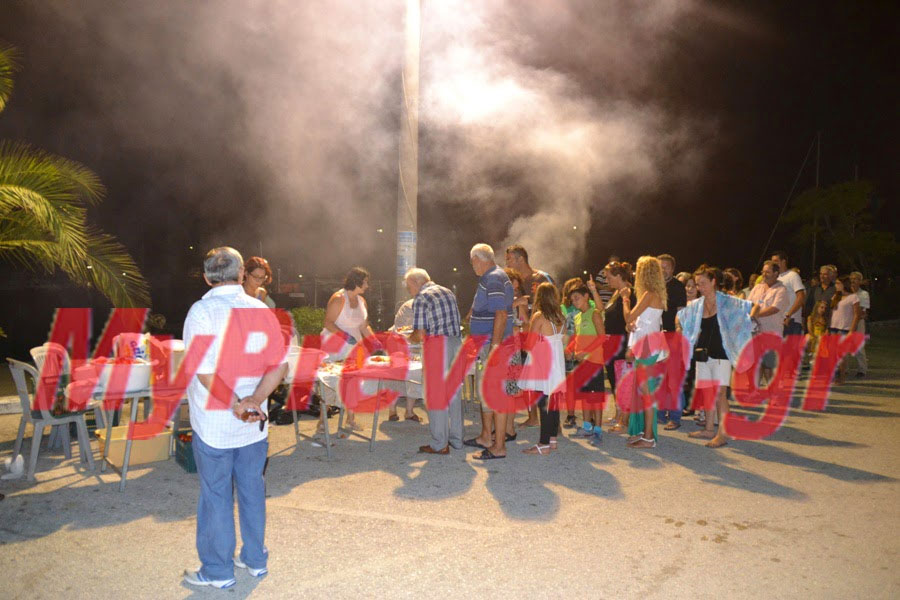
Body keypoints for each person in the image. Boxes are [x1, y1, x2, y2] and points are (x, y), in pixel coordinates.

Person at [182, 247, 287, 589]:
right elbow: (279, 366)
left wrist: (235, 404)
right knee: (252, 490)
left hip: (215, 425)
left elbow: (204, 371)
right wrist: (254, 400)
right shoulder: (260, 309)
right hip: (254, 425)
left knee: (216, 496)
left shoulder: (202, 311)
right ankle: (255, 560)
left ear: (206, 277)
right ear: (242, 274)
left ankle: (218, 571)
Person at [679, 265, 753, 448]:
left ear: (713, 282)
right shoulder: (697, 304)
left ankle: (723, 433)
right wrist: (681, 328)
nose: (699, 288)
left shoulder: (727, 302)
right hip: (702, 353)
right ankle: (709, 429)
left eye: (703, 283)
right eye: (697, 284)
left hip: (722, 353)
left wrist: (741, 329)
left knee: (720, 394)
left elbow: (750, 308)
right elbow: (680, 317)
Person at [398, 268, 464, 454]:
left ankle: (439, 444)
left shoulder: (421, 297)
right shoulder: (447, 291)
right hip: (455, 343)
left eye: (409, 287)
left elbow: (420, 332)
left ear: (416, 282)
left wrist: (405, 338)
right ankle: (457, 439)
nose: (409, 291)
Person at [463, 243, 516, 459]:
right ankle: (486, 436)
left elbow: (501, 314)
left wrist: (494, 347)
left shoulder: (493, 278)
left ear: (478, 259)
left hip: (493, 347)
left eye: (472, 261)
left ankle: (499, 446)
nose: (472, 266)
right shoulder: (493, 276)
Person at [322, 266, 377, 431]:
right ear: (357, 282)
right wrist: (344, 336)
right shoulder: (338, 298)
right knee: (329, 383)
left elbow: (364, 326)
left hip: (354, 347)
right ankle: (322, 421)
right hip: (335, 345)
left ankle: (350, 419)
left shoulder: (362, 301)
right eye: (365, 282)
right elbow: (328, 323)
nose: (367, 286)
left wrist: (375, 341)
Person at [622, 256, 667, 449]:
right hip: (648, 346)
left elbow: (629, 316)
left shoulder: (649, 294)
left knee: (647, 393)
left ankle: (648, 438)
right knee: (643, 391)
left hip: (648, 348)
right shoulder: (654, 294)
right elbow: (639, 321)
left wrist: (625, 299)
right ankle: (643, 432)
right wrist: (632, 325)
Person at [520, 283, 567, 455]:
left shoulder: (539, 316)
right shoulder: (561, 317)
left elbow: (529, 344)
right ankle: (552, 439)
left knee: (543, 402)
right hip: (557, 362)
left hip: (542, 362)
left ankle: (543, 444)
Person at [566, 282, 605, 446]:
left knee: (595, 397)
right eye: (572, 300)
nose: (574, 302)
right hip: (581, 362)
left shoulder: (594, 313)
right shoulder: (577, 316)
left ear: (586, 296)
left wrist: (585, 352)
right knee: (585, 396)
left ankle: (598, 431)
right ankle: (587, 426)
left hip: (594, 361)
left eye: (577, 298)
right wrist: (569, 349)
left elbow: (602, 337)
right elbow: (576, 337)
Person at [598, 260, 632, 434]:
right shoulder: (616, 293)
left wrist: (630, 346)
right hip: (611, 343)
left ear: (619, 276)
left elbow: (630, 320)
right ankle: (619, 414)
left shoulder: (629, 293)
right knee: (614, 379)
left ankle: (625, 420)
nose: (606, 281)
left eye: (609, 277)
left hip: (622, 342)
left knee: (623, 382)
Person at [558, 277, 595, 430]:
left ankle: (590, 417)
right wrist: (566, 347)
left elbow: (599, 312)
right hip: (569, 348)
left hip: (586, 349)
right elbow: (563, 329)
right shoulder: (563, 307)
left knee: (588, 385)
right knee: (571, 385)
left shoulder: (590, 305)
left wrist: (593, 291)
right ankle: (571, 415)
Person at [748, 260, 791, 383]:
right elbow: (748, 303)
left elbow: (775, 308)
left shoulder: (781, 290)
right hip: (755, 333)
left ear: (776, 273)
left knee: (769, 366)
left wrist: (755, 315)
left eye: (767, 272)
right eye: (763, 272)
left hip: (771, 334)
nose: (764, 274)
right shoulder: (758, 287)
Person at [657, 254, 686, 430]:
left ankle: (675, 416)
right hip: (656, 336)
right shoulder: (653, 285)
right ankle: (660, 413)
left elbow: (681, 312)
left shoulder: (677, 286)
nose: (663, 270)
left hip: (672, 335)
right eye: (660, 267)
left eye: (666, 267)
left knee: (674, 379)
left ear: (673, 269)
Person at [387, 297, 422, 423]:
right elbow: (409, 330)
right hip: (399, 343)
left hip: (412, 344)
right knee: (396, 378)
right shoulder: (414, 306)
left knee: (414, 376)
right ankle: (393, 411)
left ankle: (408, 411)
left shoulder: (422, 304)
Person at [829, 275, 861, 384]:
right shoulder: (836, 296)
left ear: (844, 284)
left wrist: (852, 330)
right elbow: (832, 312)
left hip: (845, 328)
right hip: (834, 327)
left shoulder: (853, 297)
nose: (836, 285)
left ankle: (841, 377)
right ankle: (835, 375)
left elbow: (857, 314)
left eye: (838, 283)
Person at [771, 251, 806, 337]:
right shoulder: (775, 278)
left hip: (791, 321)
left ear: (783, 262)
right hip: (777, 321)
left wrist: (789, 314)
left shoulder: (792, 276)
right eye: (772, 262)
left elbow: (801, 296)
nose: (773, 264)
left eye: (776, 261)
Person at [849, 271, 869, 378]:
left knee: (859, 346)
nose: (852, 281)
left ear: (860, 281)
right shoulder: (846, 292)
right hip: (846, 322)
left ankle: (862, 369)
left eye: (855, 279)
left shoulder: (863, 294)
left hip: (858, 322)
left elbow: (862, 311)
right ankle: (843, 369)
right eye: (851, 278)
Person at [806, 300, 828, 365]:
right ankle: (812, 358)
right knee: (809, 338)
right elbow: (810, 329)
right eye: (821, 307)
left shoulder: (825, 319)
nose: (823, 310)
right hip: (813, 335)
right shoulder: (811, 318)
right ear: (817, 307)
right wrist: (815, 337)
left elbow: (826, 330)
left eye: (825, 308)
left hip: (822, 335)